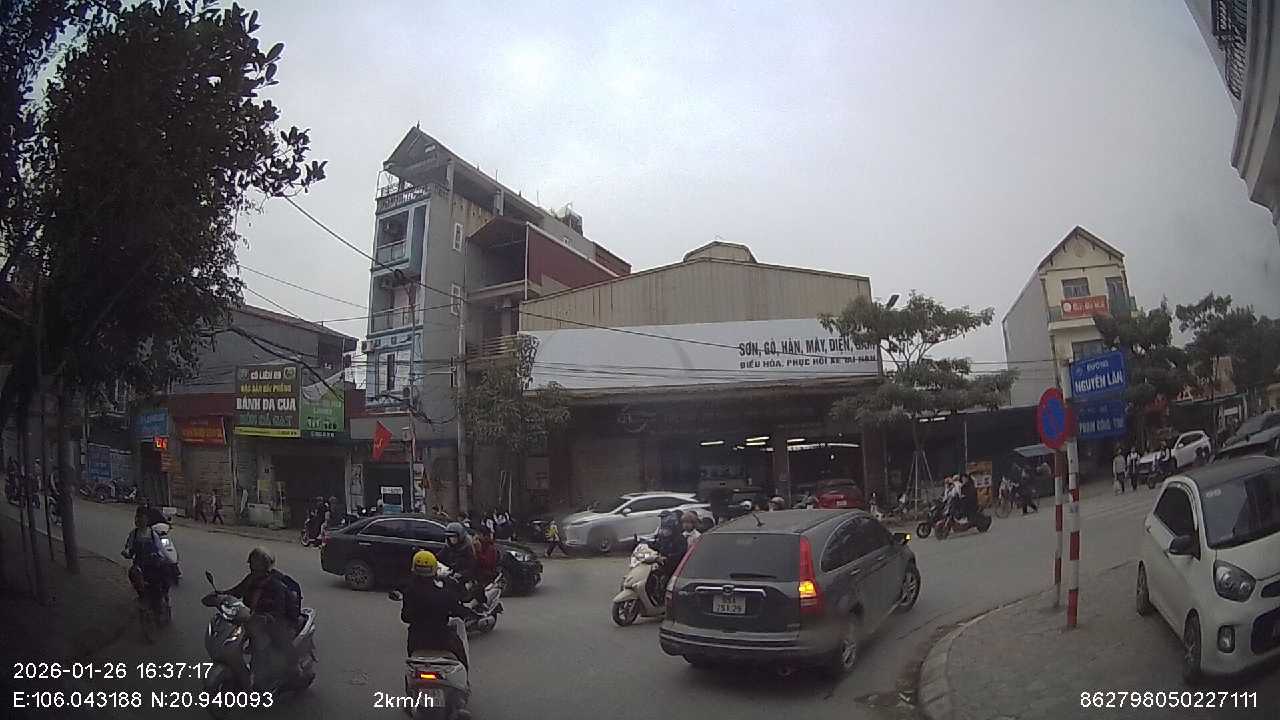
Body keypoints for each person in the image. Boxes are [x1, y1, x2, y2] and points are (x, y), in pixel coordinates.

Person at [227, 547, 299, 689]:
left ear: (266, 566)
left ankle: (294, 669)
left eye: (258, 563)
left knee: (277, 641)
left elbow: (280, 610)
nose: (254, 566)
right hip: (253, 618)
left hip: (276, 620)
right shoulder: (250, 579)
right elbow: (236, 591)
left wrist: (268, 617)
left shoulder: (276, 584)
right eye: (253, 563)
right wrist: (220, 596)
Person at [399, 550, 471, 669]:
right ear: (434, 569)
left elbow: (405, 617)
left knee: (412, 668)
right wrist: (468, 612)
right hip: (441, 639)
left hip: (416, 640)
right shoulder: (443, 592)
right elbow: (457, 610)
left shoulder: (409, 591)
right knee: (461, 660)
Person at [121, 507, 168, 608]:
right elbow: (128, 548)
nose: (139, 520)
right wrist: (126, 553)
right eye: (137, 518)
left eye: (141, 518)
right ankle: (143, 596)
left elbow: (160, 549)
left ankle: (163, 596)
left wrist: (162, 558)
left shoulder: (152, 534)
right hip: (140, 564)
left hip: (153, 563)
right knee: (134, 573)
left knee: (166, 572)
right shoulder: (134, 534)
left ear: (147, 519)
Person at [473, 525, 500, 594]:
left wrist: (478, 551)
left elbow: (487, 563)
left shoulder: (490, 547)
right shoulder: (477, 545)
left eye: (479, 534)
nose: (476, 536)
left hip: (486, 576)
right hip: (476, 575)